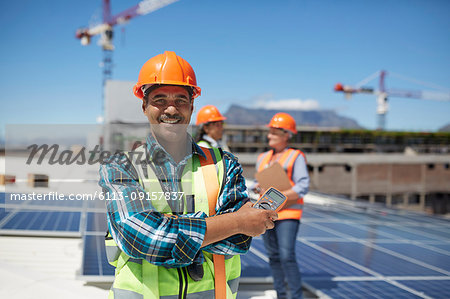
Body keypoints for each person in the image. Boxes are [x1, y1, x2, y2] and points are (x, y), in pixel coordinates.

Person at [99, 51, 277, 299]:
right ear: (144, 106)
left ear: (192, 106)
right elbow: (142, 237)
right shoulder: (121, 165)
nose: (171, 109)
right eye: (160, 99)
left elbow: (239, 240)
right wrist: (234, 221)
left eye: (181, 100)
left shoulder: (224, 163)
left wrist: (169, 226)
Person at [254, 112, 309, 299]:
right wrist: (258, 189)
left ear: (287, 134)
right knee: (274, 258)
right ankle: (281, 296)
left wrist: (278, 196)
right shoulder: (262, 158)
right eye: (269, 132)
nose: (269, 136)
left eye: (274, 133)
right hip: (267, 214)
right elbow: (262, 184)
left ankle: (295, 296)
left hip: (288, 215)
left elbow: (302, 186)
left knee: (287, 257)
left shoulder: (296, 156)